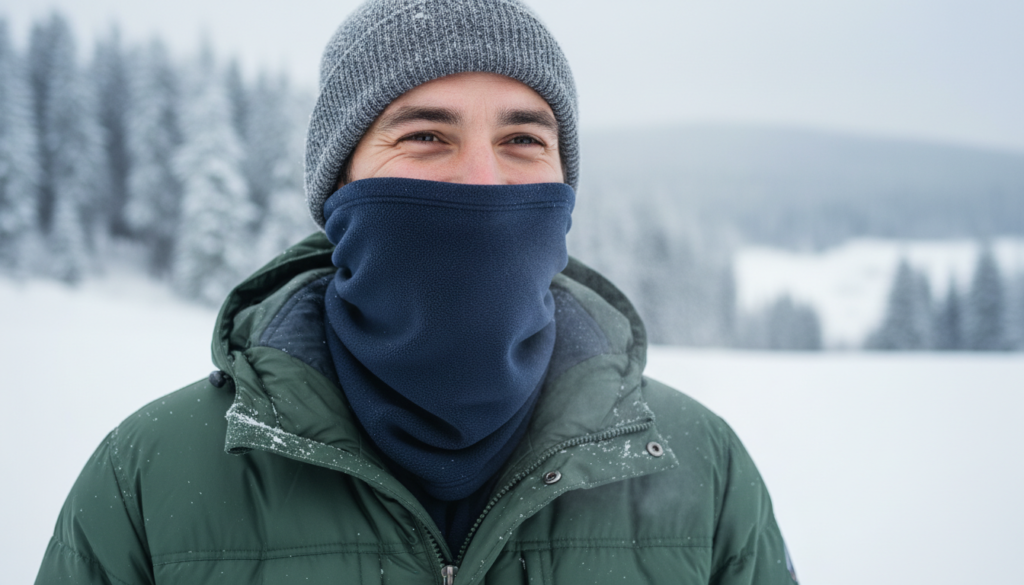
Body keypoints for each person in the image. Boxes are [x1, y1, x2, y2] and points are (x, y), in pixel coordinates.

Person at [36, 1, 797, 583]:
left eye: (523, 140)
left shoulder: (698, 467)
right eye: (426, 136)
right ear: (340, 183)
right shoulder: (151, 474)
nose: (483, 179)